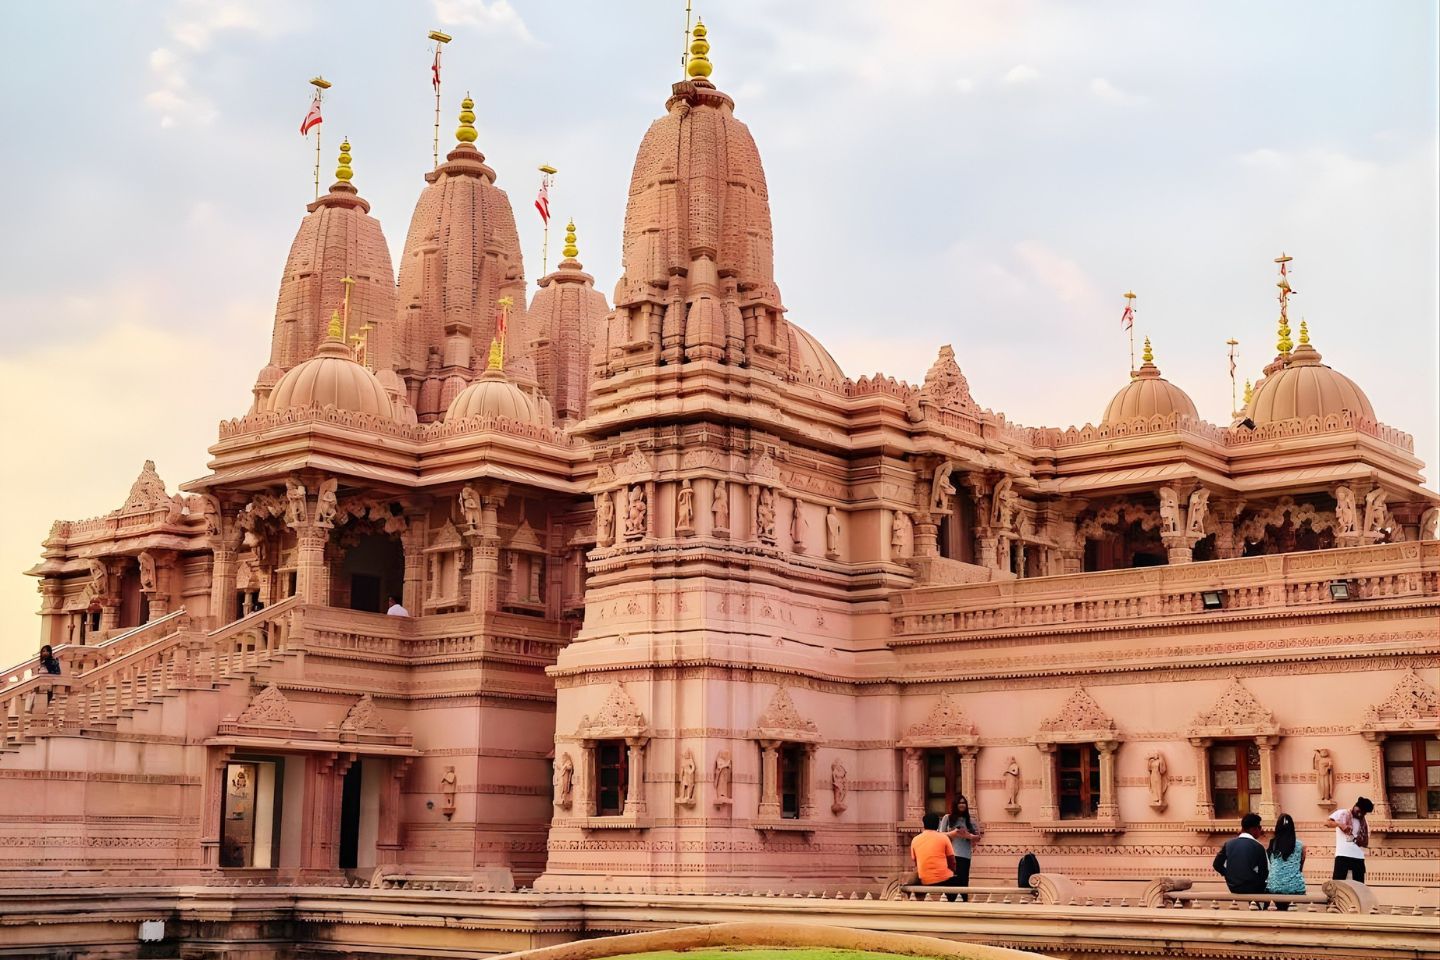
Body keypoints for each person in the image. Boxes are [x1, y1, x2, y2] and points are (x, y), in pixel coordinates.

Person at [909, 811, 964, 901]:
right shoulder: (943, 838)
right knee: (959, 882)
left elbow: (915, 860)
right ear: (938, 824)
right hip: (943, 879)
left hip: (924, 879)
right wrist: (953, 873)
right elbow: (952, 861)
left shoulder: (915, 840)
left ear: (924, 825)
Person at [938, 794, 984, 899]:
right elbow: (940, 835)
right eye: (960, 803)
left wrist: (969, 835)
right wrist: (953, 833)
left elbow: (978, 837)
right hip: (950, 855)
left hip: (965, 856)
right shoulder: (947, 818)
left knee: (963, 882)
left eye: (964, 803)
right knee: (951, 882)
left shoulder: (970, 820)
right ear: (955, 804)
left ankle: (963, 906)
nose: (962, 805)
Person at [1212, 812, 1268, 897]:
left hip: (1233, 887)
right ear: (1254, 829)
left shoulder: (1228, 844)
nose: (1261, 830)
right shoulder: (1258, 846)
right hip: (1253, 888)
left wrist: (1228, 874)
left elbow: (1216, 865)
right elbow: (1264, 873)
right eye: (1259, 827)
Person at [1265, 813, 1305, 909]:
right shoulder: (1300, 845)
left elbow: (1271, 863)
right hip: (1295, 887)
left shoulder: (1273, 843)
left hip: (1275, 886)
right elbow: (1300, 867)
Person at [1329, 797, 1374, 883]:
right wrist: (1340, 824)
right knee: (1338, 885)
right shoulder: (1342, 813)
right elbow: (1327, 823)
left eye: (1363, 813)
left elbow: (1365, 840)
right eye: (1359, 811)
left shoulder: (1365, 822)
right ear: (1355, 806)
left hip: (1358, 857)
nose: (1360, 814)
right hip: (1343, 855)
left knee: (1359, 888)